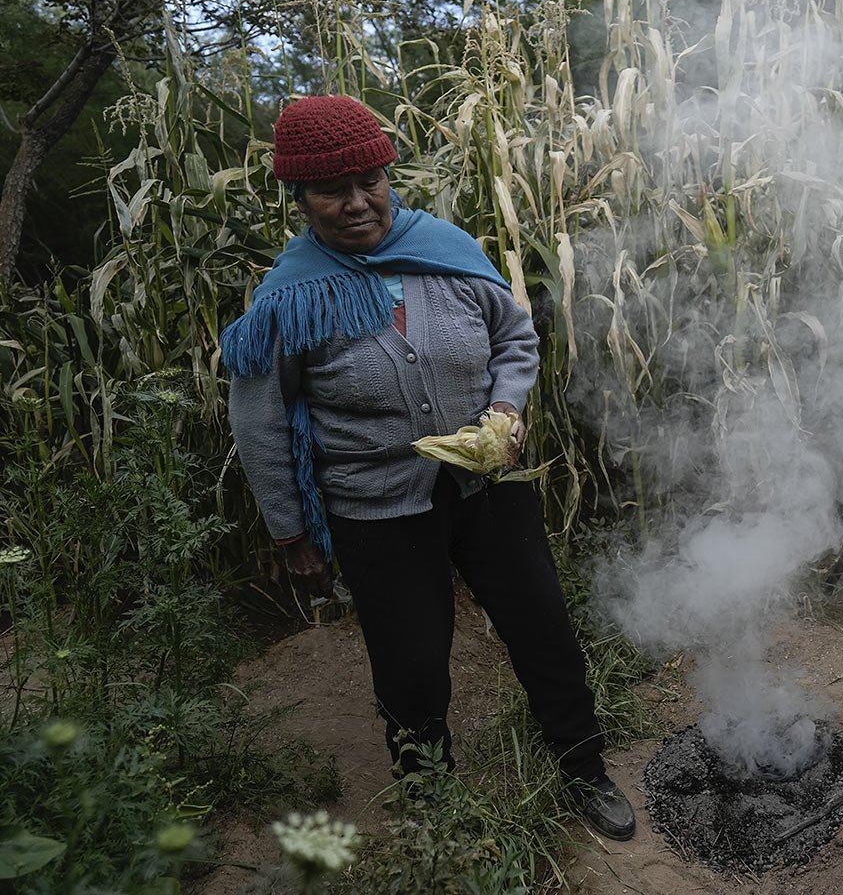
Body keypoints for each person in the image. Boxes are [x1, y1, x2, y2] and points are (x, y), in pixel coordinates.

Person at [221, 95, 634, 841]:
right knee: (411, 670)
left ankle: (583, 767)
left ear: (389, 174)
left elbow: (515, 338)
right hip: (377, 509)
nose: (356, 204)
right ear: (299, 198)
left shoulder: (445, 249)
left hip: (491, 487)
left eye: (369, 182)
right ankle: (432, 811)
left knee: (544, 631)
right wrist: (291, 534)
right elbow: (260, 425)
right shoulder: (288, 299)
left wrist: (507, 410)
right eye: (330, 192)